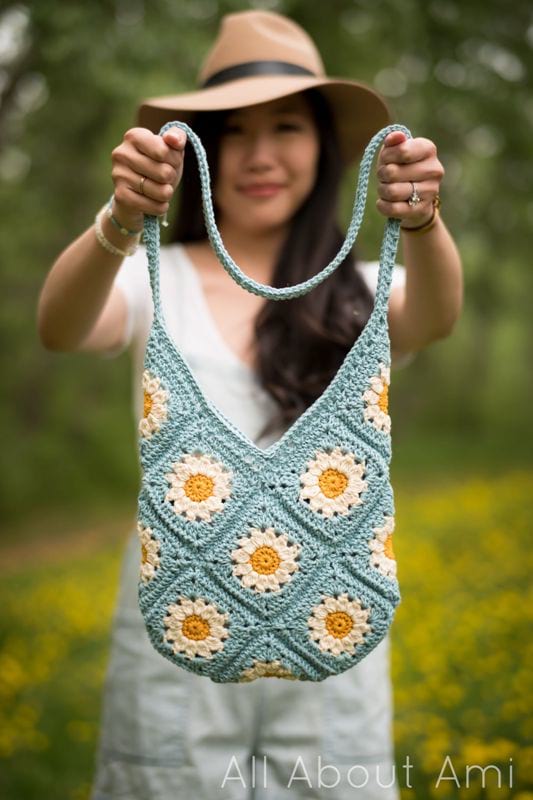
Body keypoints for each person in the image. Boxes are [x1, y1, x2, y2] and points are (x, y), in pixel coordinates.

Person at [37, 9, 463, 800]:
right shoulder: (148, 273)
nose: (261, 155)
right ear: (198, 148)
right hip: (177, 612)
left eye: (288, 128)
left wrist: (423, 223)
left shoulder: (361, 288)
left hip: (335, 614)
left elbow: (434, 314)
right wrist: (120, 221)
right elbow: (61, 328)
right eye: (235, 131)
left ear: (325, 147)